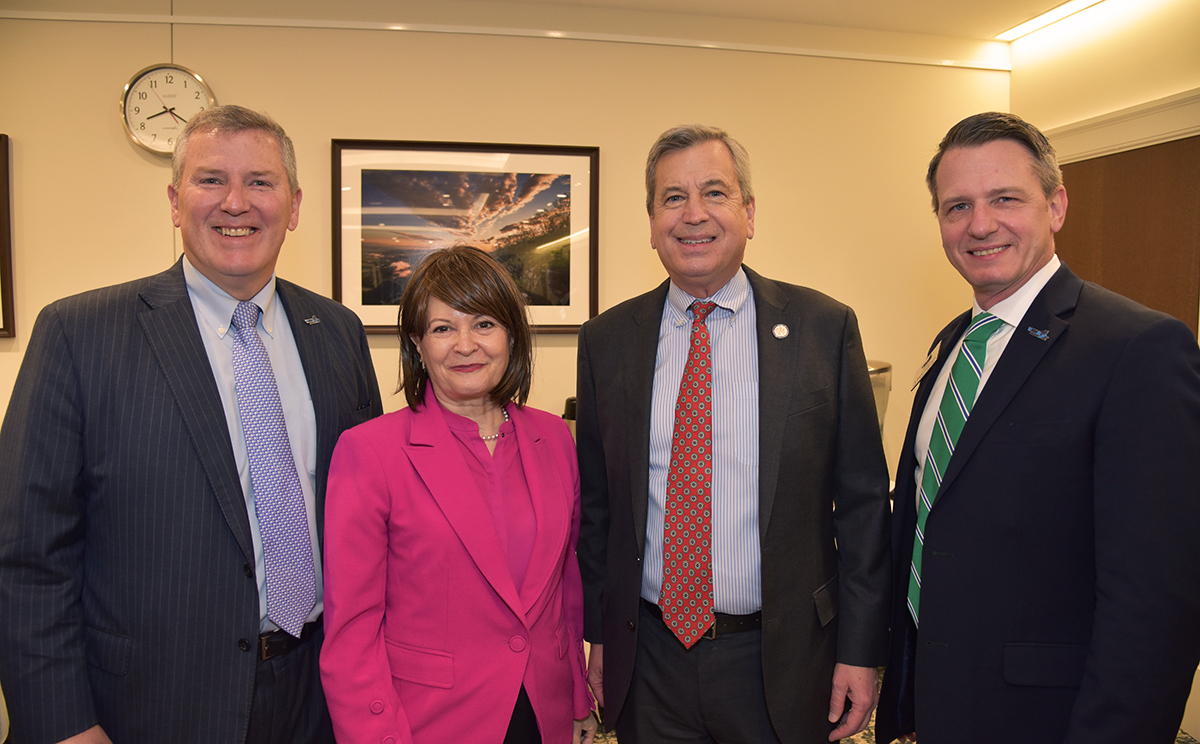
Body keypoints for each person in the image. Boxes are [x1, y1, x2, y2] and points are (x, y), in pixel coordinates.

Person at [0, 105, 383, 744]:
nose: (236, 202)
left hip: (318, 694)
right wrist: (65, 725)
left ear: (293, 206)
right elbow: (27, 556)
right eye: (211, 180)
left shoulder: (338, 331)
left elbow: (369, 514)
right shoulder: (79, 334)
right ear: (175, 202)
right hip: (149, 704)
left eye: (260, 182)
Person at [875, 111, 1200, 744]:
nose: (979, 224)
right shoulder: (955, 344)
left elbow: (1157, 601)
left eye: (1005, 199)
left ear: (1056, 206)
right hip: (944, 706)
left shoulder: (1138, 349)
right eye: (957, 206)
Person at [575, 124, 891, 743]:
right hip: (649, 659)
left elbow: (862, 507)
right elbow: (597, 507)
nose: (693, 214)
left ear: (749, 212)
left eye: (714, 193)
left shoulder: (823, 329)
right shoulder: (607, 341)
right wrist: (598, 635)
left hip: (782, 658)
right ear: (651, 223)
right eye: (673, 198)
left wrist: (860, 650)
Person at [320, 245, 597, 744]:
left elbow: (565, 588)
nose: (466, 345)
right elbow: (352, 633)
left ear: (511, 334)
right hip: (428, 723)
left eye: (484, 324)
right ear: (418, 344)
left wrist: (578, 695)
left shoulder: (555, 437)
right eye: (443, 328)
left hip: (546, 712)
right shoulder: (370, 452)